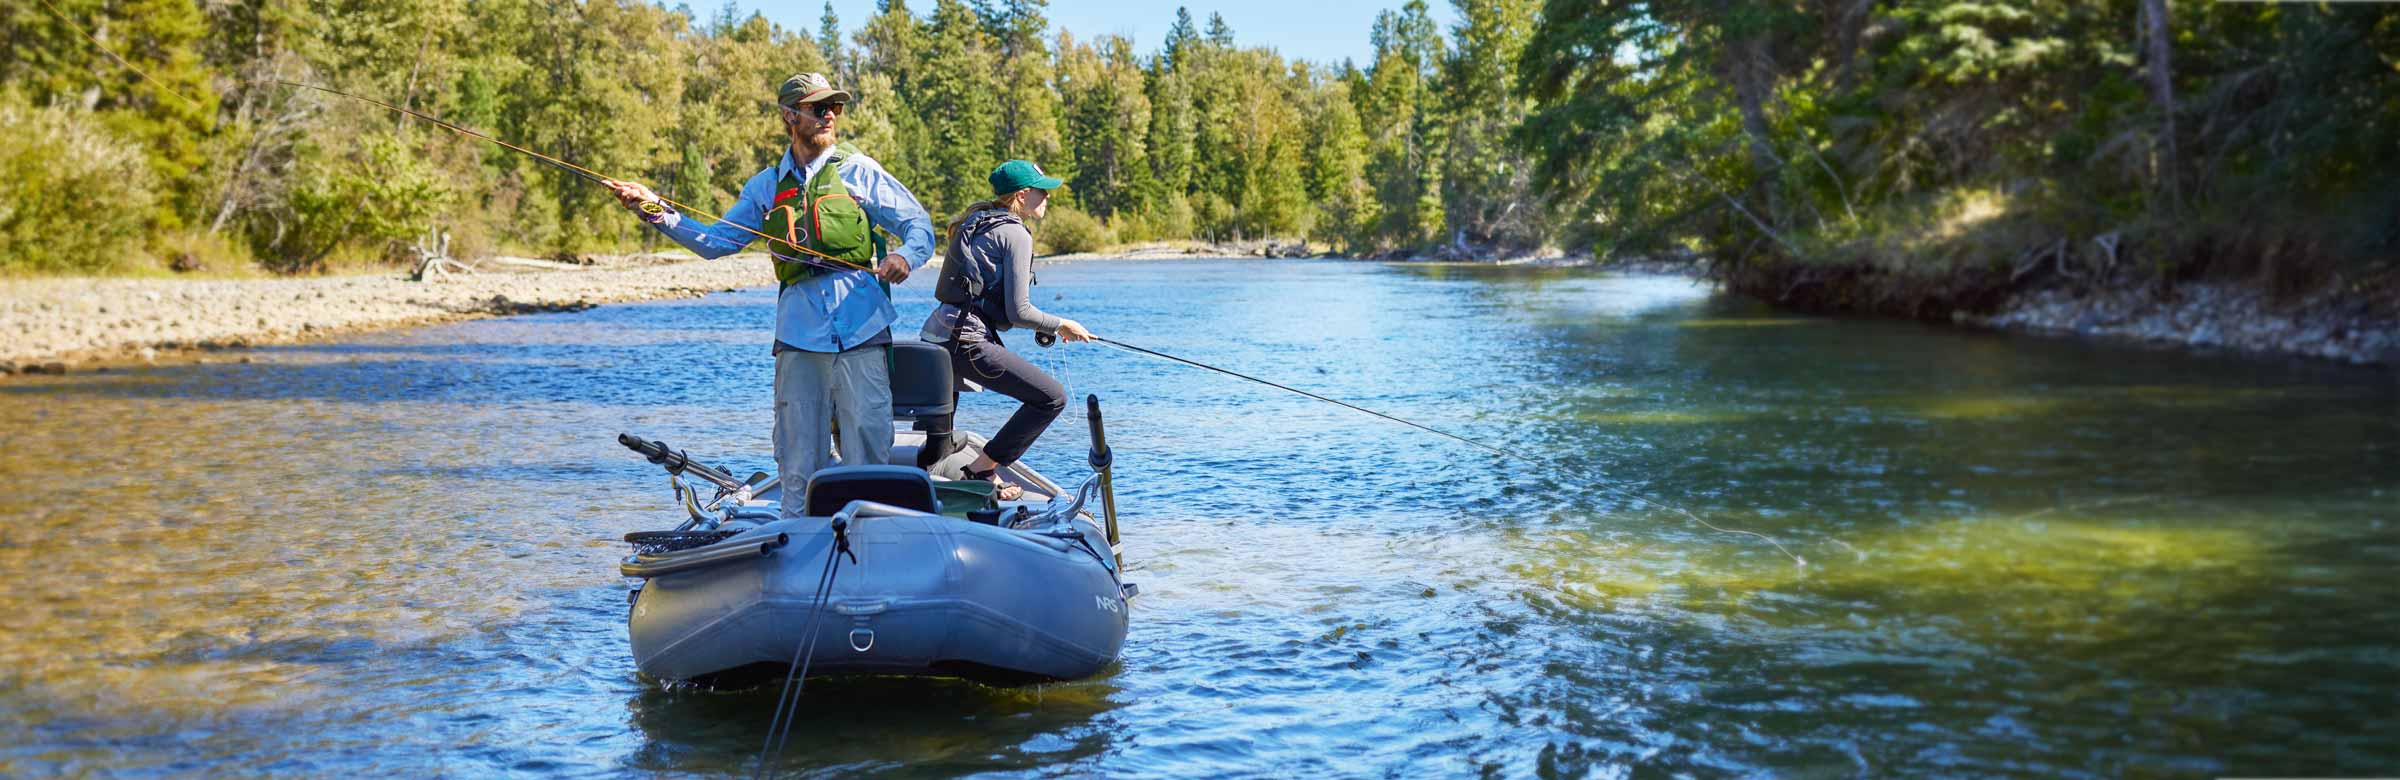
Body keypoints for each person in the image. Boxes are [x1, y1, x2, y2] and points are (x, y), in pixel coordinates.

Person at [603, 73, 935, 518]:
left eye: (834, 108)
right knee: (798, 460)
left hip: (862, 331)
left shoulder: (859, 170)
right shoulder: (764, 186)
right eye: (818, 109)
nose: (829, 116)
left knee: (869, 453)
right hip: (799, 337)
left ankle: (873, 539)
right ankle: (798, 542)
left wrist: (906, 257)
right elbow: (713, 242)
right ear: (789, 116)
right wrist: (652, 208)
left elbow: (920, 227)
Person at [921, 160, 1096, 500]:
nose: (1047, 197)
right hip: (966, 340)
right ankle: (984, 468)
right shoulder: (1015, 232)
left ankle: (925, 487)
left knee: (935, 451)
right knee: (1051, 398)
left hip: (937, 335)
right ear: (1022, 195)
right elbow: (1020, 311)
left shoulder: (977, 221)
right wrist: (1062, 324)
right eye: (1042, 191)